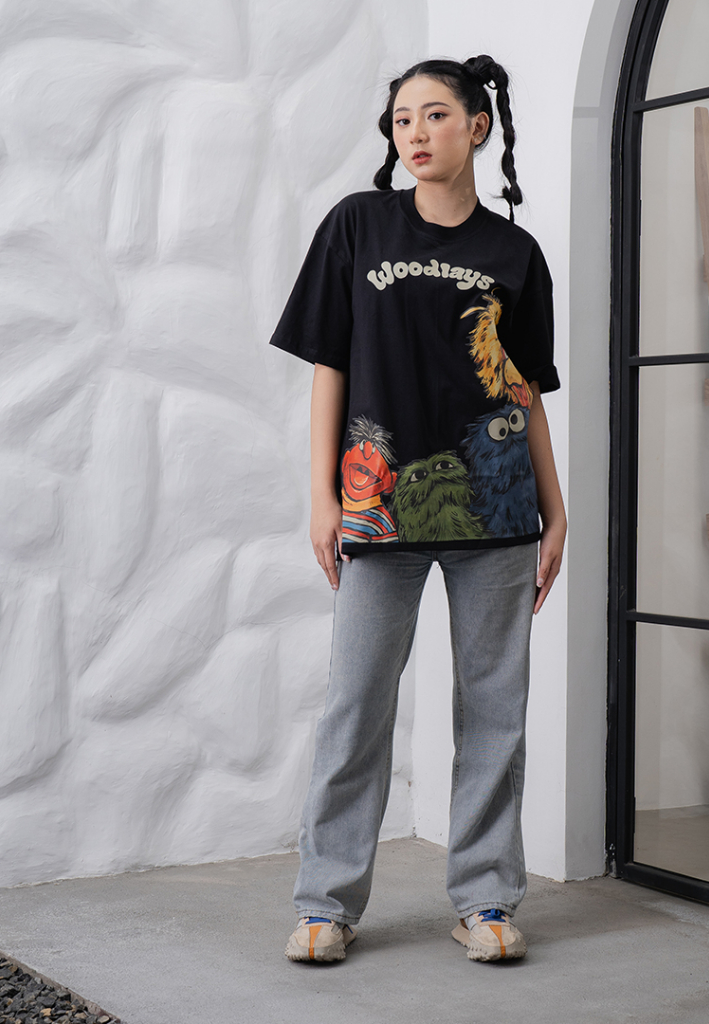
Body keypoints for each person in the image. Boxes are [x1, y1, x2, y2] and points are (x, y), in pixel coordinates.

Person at [269, 54, 566, 963]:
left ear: (477, 125)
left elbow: (523, 389)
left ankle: (485, 900)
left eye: (435, 115)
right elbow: (330, 364)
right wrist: (322, 496)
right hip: (378, 508)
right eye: (402, 119)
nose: (416, 133)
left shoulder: (515, 254)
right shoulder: (358, 225)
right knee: (356, 705)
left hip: (498, 510)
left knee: (495, 711)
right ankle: (326, 903)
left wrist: (555, 510)